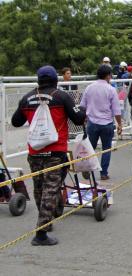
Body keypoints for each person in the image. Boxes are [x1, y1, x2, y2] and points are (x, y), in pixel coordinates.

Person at [11, 65, 86, 245]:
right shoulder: (61, 96)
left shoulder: (27, 97)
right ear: (55, 80)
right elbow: (78, 119)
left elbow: (15, 121)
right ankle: (41, 234)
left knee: (39, 187)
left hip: (34, 151)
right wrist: (82, 110)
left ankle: (47, 220)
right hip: (55, 150)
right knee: (51, 188)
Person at [80, 65, 123, 180]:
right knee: (106, 148)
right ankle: (103, 173)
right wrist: (119, 124)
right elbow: (116, 110)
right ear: (108, 75)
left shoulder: (89, 88)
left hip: (92, 123)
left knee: (91, 148)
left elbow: (82, 106)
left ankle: (88, 168)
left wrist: (84, 119)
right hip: (107, 123)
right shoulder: (111, 89)